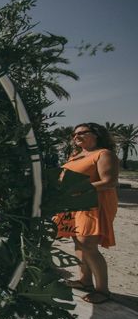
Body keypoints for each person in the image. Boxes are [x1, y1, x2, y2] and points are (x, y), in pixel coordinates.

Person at [55, 123, 119, 304]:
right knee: (77, 240)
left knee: (88, 244)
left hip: (93, 204)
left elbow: (109, 181)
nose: (77, 136)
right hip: (73, 204)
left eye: (83, 133)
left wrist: (79, 190)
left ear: (96, 135)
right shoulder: (75, 155)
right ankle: (85, 281)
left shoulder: (103, 154)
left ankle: (103, 290)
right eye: (74, 134)